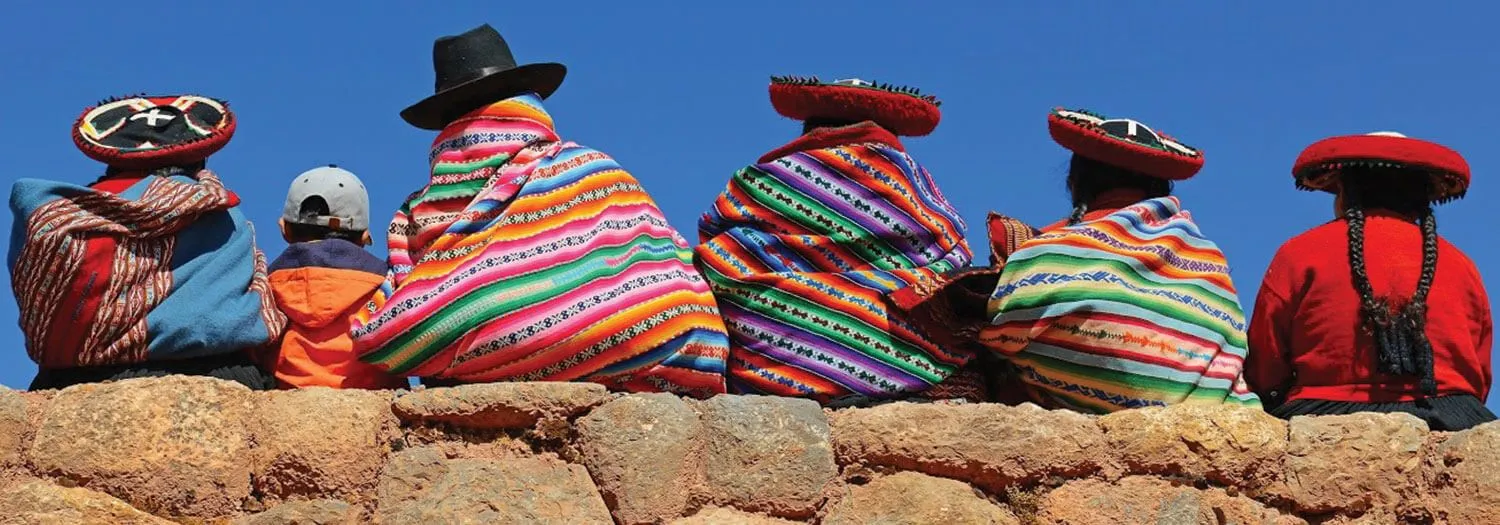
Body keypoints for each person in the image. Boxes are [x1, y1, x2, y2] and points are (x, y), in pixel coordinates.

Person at [351, 24, 730, 396]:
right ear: (527, 104)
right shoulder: (591, 169)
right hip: (657, 353)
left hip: (479, 378)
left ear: (448, 126)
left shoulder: (419, 212)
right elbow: (672, 281)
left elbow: (400, 320)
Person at [695, 76, 977, 404]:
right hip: (911, 368)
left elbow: (716, 241)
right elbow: (954, 259)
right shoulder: (915, 192)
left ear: (810, 131)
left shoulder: (765, 183)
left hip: (772, 375)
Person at [979, 107, 1260, 413]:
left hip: (1076, 421)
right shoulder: (1207, 258)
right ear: (1160, 188)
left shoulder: (1050, 249)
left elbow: (1002, 331)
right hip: (1211, 417)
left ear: (1076, 181)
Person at [10, 94, 286, 390]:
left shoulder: (52, 217)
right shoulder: (220, 213)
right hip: (215, 376)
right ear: (199, 158)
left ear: (111, 159)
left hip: (72, 380)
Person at [1246, 131, 1494, 430]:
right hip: (1452, 418)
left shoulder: (1298, 254)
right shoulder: (1463, 265)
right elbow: (1478, 373)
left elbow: (1266, 366)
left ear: (1347, 194)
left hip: (1324, 418)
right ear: (1421, 203)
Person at [266, 165, 408, 390]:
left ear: (285, 230)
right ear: (364, 237)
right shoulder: (391, 286)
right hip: (374, 400)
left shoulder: (265, 286)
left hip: (284, 396)